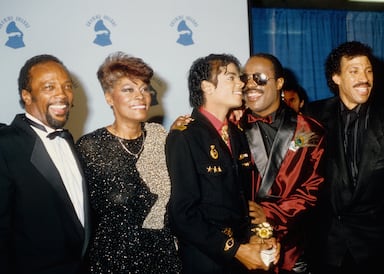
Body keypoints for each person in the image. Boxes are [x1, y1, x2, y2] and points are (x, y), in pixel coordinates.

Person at [165, 53, 280, 274]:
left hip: (241, 255)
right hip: (207, 259)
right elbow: (182, 215)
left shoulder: (236, 134)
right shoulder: (185, 136)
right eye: (231, 78)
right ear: (207, 87)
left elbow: (244, 202)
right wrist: (234, 250)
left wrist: (259, 236)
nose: (242, 83)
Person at [305, 41, 384, 274]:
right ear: (336, 77)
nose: (364, 78)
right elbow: (300, 175)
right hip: (327, 248)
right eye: (354, 71)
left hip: (380, 249)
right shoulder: (312, 118)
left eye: (368, 70)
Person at [75, 51, 182, 273]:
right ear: (108, 97)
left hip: (164, 259)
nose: (140, 96)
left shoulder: (160, 138)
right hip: (112, 262)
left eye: (144, 88)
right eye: (128, 89)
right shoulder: (90, 146)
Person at [0, 54, 90, 274]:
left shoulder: (69, 141)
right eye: (49, 87)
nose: (62, 94)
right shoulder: (6, 145)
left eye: (67, 86)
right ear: (27, 96)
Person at [238, 53, 325, 274]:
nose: (250, 85)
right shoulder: (231, 127)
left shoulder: (309, 130)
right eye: (245, 78)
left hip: (292, 248)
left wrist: (269, 212)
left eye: (258, 78)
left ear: (279, 83)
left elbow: (314, 189)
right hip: (246, 248)